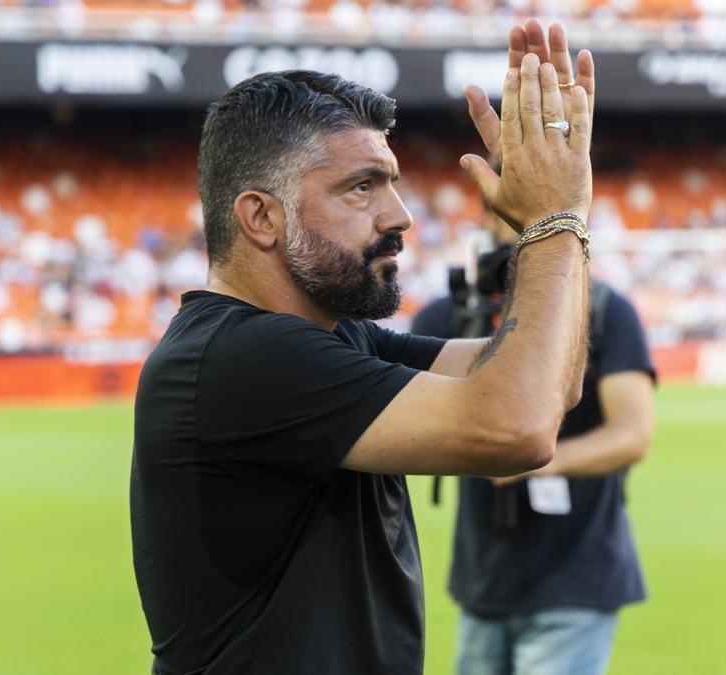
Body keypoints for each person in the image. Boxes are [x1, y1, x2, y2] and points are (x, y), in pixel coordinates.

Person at [130, 20, 597, 675]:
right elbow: (517, 426)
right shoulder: (244, 357)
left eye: (392, 182)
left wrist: (566, 214)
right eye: (362, 186)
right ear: (261, 217)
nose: (400, 214)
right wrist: (555, 222)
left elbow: (550, 384)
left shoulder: (330, 337)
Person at [411, 218, 656, 673]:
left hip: (577, 575)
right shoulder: (449, 316)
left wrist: (535, 459)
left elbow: (632, 434)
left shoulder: (604, 311)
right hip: (483, 581)